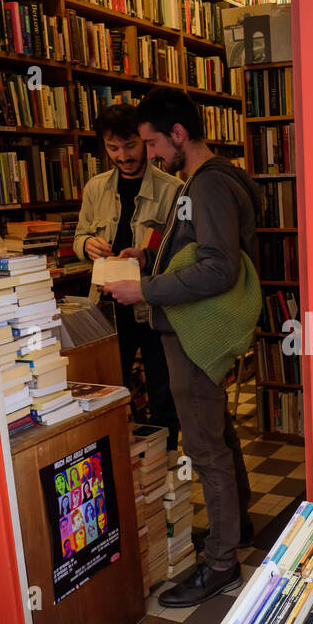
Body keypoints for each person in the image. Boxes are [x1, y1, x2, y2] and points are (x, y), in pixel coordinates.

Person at [105, 89, 261, 608]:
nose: (147, 155)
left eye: (150, 143)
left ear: (177, 135)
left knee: (205, 447)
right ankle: (235, 532)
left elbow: (218, 267)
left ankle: (221, 564)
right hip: (193, 331)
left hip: (193, 334)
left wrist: (144, 289)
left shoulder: (210, 184)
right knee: (218, 435)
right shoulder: (211, 179)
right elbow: (194, 247)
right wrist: (148, 255)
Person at [74, 103, 182, 448]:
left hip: (151, 306)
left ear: (146, 142)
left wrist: (148, 260)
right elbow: (79, 236)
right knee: (108, 389)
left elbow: (181, 255)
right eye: (112, 148)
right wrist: (88, 243)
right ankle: (122, 461)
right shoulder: (95, 188)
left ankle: (164, 464)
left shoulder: (172, 190)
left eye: (130, 145)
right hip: (107, 309)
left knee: (163, 390)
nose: (123, 156)